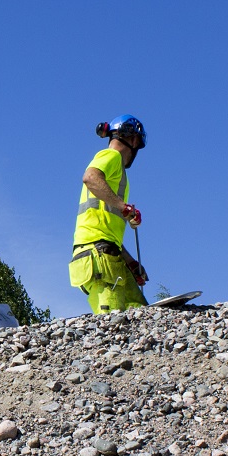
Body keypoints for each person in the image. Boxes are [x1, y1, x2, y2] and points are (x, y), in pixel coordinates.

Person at [69, 114, 148, 313]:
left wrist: (130, 261)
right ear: (134, 139)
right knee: (113, 324)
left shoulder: (118, 172)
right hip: (97, 257)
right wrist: (124, 207)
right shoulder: (111, 156)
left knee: (141, 312)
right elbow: (90, 177)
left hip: (107, 253)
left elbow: (105, 231)